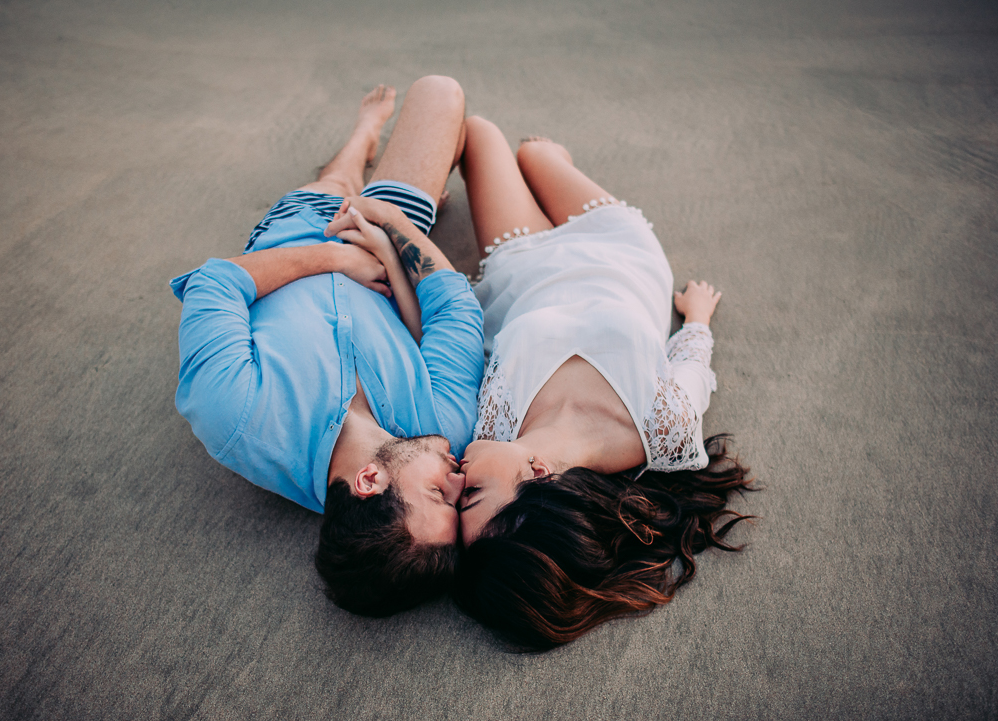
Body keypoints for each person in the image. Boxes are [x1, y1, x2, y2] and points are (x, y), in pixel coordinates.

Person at [170, 77, 484, 617]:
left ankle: (362, 139)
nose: (460, 478)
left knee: (334, 180)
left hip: (290, 234)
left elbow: (215, 283)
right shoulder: (443, 428)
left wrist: (333, 259)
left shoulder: (237, 416)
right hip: (384, 233)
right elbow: (455, 309)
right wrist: (392, 237)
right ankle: (394, 175)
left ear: (369, 481)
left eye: (439, 495)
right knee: (442, 94)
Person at [451, 117, 756, 650]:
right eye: (471, 495)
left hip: (521, 264)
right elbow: (692, 371)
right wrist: (698, 317)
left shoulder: (491, 422)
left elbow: (449, 337)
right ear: (539, 475)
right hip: (620, 251)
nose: (456, 481)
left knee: (477, 131)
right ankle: (547, 163)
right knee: (537, 153)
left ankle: (535, 167)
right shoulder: (661, 433)